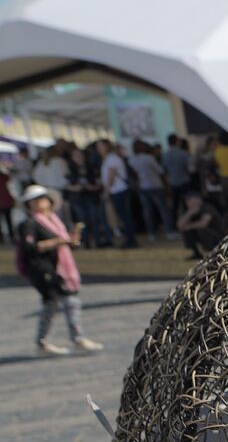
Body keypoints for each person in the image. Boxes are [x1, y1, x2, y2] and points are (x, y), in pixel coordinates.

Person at [15, 185, 103, 355]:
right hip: (43, 269)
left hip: (59, 268)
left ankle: (56, 341)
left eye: (42, 198)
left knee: (59, 302)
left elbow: (67, 245)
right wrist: (61, 241)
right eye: (35, 200)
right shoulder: (30, 223)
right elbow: (31, 247)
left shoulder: (55, 221)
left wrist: (71, 240)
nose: (40, 202)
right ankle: (65, 340)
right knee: (61, 302)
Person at [129, 141, 175, 240]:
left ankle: (151, 233)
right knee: (163, 210)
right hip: (155, 185)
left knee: (148, 211)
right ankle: (169, 231)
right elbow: (160, 171)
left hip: (142, 187)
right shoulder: (149, 158)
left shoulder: (132, 160)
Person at [100, 140, 138, 248]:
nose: (99, 149)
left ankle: (131, 240)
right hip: (117, 191)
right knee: (124, 216)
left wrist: (106, 191)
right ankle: (129, 238)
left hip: (119, 191)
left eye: (101, 146)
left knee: (125, 216)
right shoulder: (109, 158)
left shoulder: (111, 158)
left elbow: (111, 176)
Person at [175, 192, 228, 260]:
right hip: (205, 233)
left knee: (202, 230)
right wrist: (189, 213)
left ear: (199, 199)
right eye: (188, 201)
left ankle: (214, 252)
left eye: (191, 200)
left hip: (218, 235)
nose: (190, 202)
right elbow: (179, 226)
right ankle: (196, 253)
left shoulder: (207, 207)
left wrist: (188, 227)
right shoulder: (189, 211)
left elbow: (204, 223)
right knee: (187, 231)